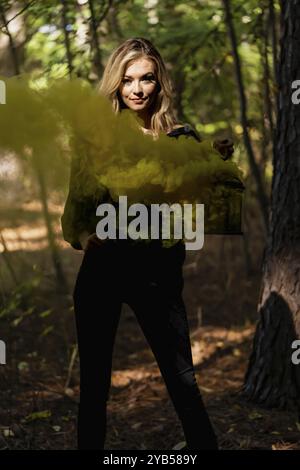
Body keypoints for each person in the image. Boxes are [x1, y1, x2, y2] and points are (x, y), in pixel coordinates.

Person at [61, 37, 232, 450]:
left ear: (160, 83)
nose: (137, 89)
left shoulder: (181, 138)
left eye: (147, 79)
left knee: (183, 380)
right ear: (116, 86)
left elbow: (198, 207)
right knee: (95, 386)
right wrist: (89, 237)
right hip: (104, 272)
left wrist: (213, 161)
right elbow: (74, 217)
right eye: (128, 80)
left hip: (158, 275)